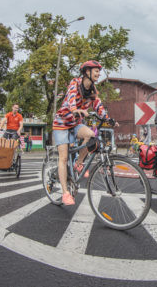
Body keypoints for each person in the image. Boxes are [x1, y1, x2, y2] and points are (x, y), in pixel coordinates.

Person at [52, 60, 115, 205]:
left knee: (91, 135)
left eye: (99, 71)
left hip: (75, 122)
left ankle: (79, 163)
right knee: (63, 157)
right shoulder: (75, 83)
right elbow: (70, 98)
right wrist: (75, 110)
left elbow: (97, 104)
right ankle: (65, 193)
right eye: (96, 71)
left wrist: (107, 118)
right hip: (62, 122)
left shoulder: (93, 90)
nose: (99, 74)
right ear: (87, 72)